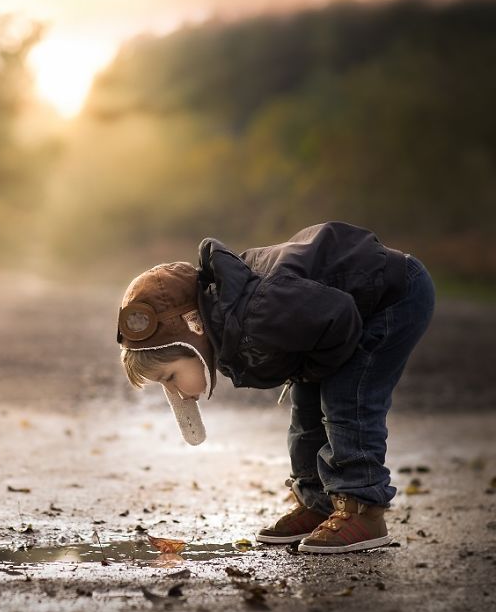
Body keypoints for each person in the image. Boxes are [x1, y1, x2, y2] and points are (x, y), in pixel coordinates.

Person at [116, 221, 435, 554]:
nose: (176, 392)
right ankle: (319, 502)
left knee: (345, 398)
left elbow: (341, 317)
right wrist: (310, 373)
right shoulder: (231, 321)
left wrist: (315, 370)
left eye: (170, 378)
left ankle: (363, 507)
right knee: (306, 406)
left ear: (192, 335)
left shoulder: (257, 311)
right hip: (335, 322)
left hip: (393, 296)